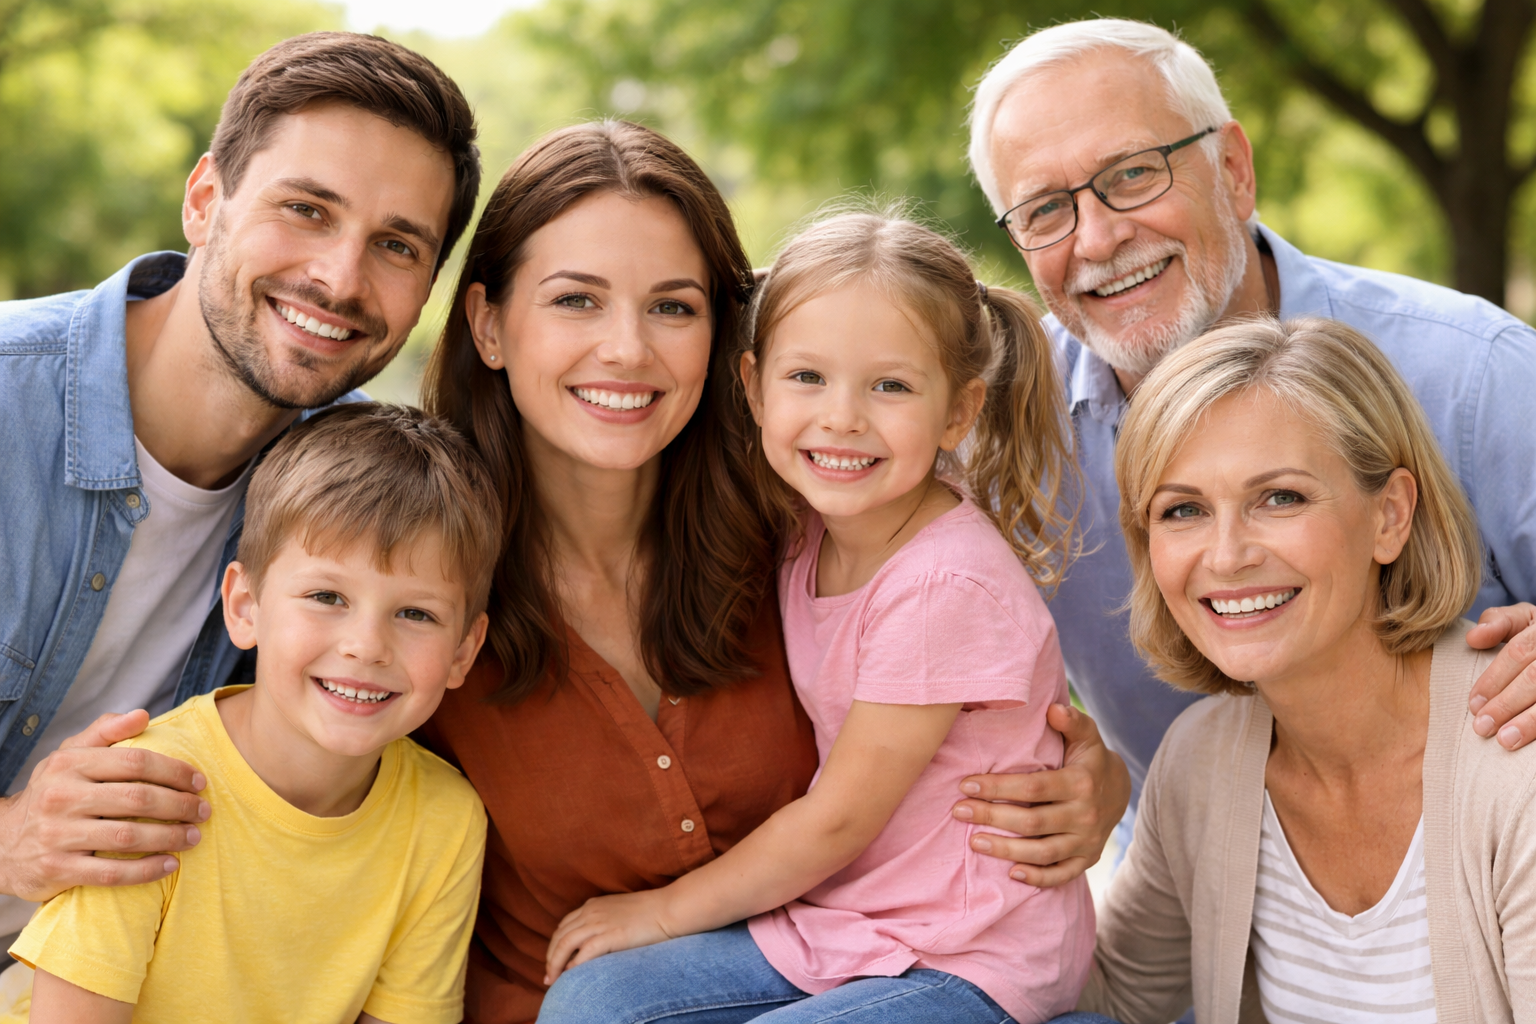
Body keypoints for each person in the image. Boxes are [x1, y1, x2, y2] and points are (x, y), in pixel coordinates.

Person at [418, 122, 1125, 1024]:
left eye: (673, 307)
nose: (627, 349)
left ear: (720, 340)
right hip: (802, 952)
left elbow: (978, 732)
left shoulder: (802, 527)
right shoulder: (421, 584)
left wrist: (1097, 781)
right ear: (488, 324)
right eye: (576, 300)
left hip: (929, 955)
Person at [952, 19, 1536, 860]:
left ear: (1233, 170)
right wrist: (1087, 780)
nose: (1098, 238)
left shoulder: (1475, 376)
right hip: (1194, 914)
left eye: (1133, 174)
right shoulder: (997, 434)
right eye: (1046, 209)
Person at [0, 30, 480, 930]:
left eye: (397, 245)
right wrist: (9, 841)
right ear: (204, 199)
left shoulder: (350, 491)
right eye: (306, 209)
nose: (339, 277)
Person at [1077, 316, 1536, 1022]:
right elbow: (1109, 1003)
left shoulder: (1517, 759)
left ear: (1390, 516)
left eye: (1280, 498)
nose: (1227, 556)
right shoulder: (1201, 762)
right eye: (1183, 510)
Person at [3, 404, 496, 1023]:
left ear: (463, 651)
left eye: (416, 613)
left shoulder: (446, 822)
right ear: (244, 606)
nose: (367, 646)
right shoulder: (145, 792)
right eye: (327, 596)